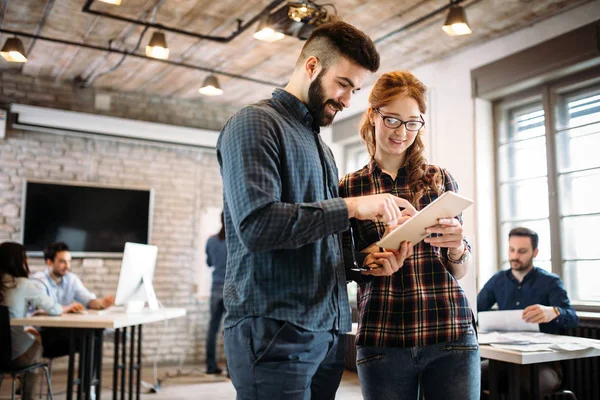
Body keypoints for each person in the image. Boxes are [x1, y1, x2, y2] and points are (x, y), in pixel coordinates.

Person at [217, 20, 414, 400]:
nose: (347, 100)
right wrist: (353, 206)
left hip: (327, 334)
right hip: (274, 330)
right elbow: (258, 226)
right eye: (343, 84)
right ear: (311, 67)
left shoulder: (321, 148)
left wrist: (366, 264)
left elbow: (321, 244)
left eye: (355, 89)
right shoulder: (254, 123)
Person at [339, 70, 480, 400]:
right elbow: (346, 264)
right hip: (383, 337)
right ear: (373, 115)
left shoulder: (439, 179)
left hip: (450, 332)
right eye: (392, 120)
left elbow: (458, 271)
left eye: (413, 122)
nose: (402, 132)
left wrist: (458, 247)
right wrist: (371, 255)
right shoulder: (349, 188)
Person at [477, 226, 579, 398]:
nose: (515, 256)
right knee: (468, 376)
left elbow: (572, 318)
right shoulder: (498, 280)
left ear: (535, 252)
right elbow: (475, 309)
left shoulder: (550, 282)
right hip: (504, 361)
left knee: (527, 384)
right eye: (511, 250)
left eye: (522, 251)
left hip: (542, 363)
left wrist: (553, 312)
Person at [0, 242, 66, 400]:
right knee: (36, 340)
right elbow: (55, 309)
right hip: (14, 357)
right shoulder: (23, 285)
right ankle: (28, 396)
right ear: (17, 262)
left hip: (1, 355)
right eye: (25, 259)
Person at [31, 241, 115, 358]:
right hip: (43, 334)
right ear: (49, 262)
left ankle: (88, 377)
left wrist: (101, 304)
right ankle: (85, 377)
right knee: (89, 338)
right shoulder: (38, 281)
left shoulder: (71, 279)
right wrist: (68, 308)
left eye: (69, 261)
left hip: (64, 331)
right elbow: (40, 309)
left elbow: (88, 300)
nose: (67, 266)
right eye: (62, 262)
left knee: (94, 336)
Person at [205, 212, 227, 375]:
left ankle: (211, 366)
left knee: (213, 328)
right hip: (231, 288)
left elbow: (209, 262)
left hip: (216, 287)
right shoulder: (235, 239)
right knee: (231, 329)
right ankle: (230, 370)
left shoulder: (211, 241)